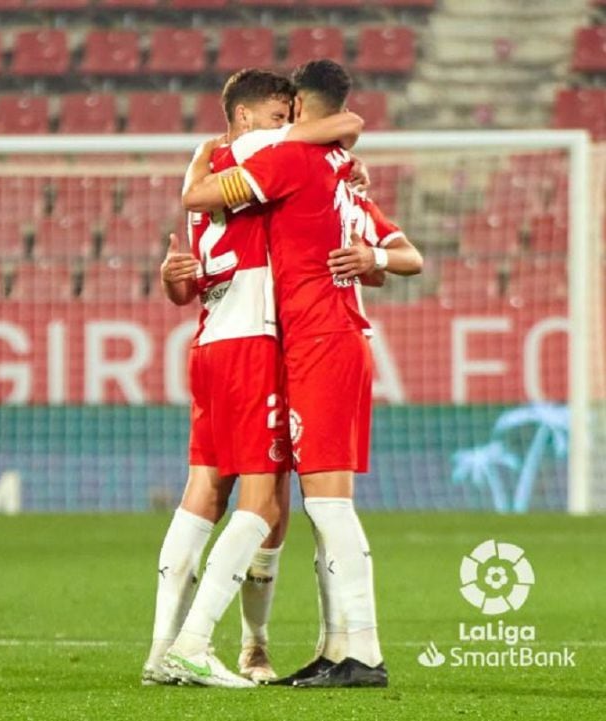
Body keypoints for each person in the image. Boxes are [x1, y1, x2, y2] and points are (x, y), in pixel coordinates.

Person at [183, 59, 424, 688]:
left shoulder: (290, 158)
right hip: (332, 339)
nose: (280, 120)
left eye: (287, 113)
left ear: (298, 110)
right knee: (324, 508)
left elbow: (200, 197)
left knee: (328, 506)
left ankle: (363, 653)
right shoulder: (342, 169)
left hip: (320, 341)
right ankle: (336, 645)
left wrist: (212, 153)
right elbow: (402, 254)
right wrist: (373, 253)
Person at [143, 69, 364, 689]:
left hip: (211, 341)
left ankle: (167, 651)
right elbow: (345, 122)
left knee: (203, 495)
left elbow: (186, 283)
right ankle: (200, 645)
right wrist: (340, 149)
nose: (288, 123)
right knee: (266, 504)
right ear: (244, 118)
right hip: (255, 343)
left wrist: (170, 277)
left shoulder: (211, 158)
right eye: (276, 113)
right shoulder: (263, 150)